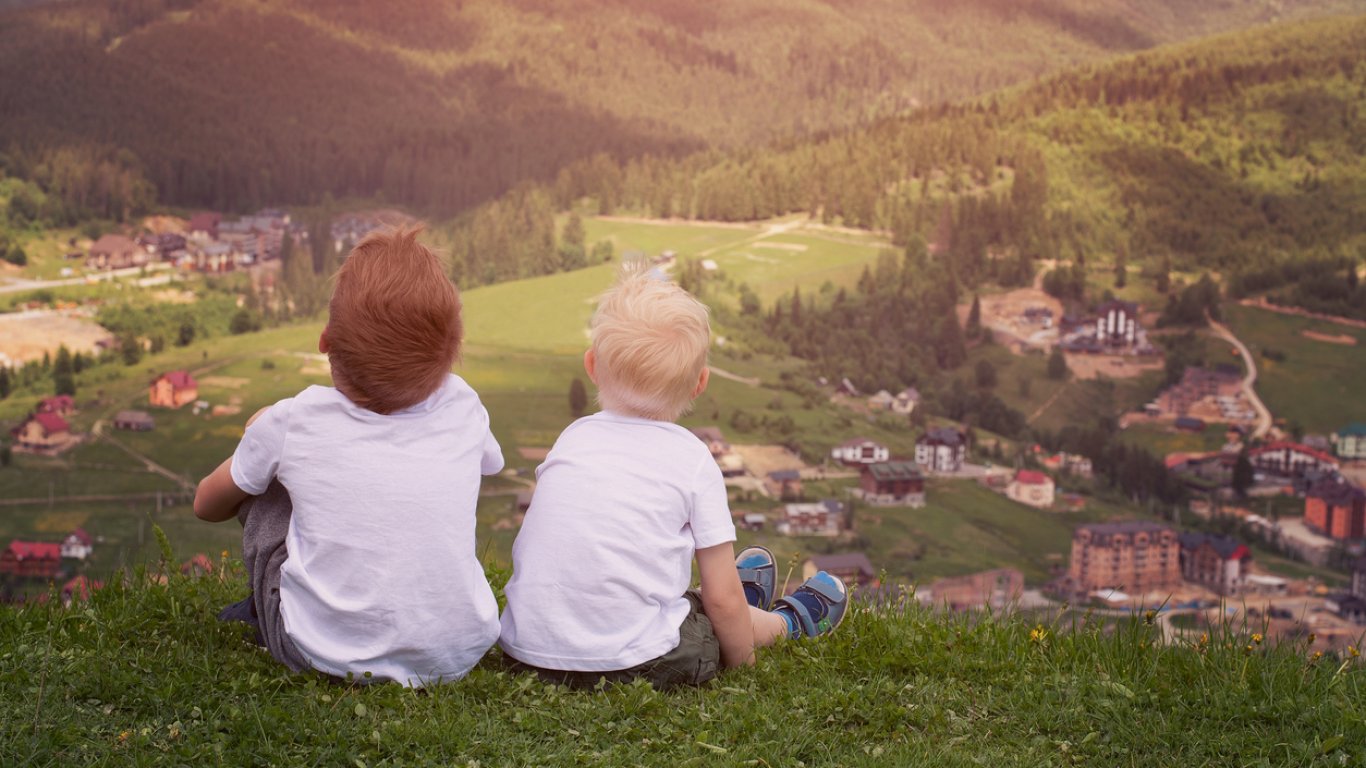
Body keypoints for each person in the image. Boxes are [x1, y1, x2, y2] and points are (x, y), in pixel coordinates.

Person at [498, 263, 847, 689]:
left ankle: (744, 608)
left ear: (592, 365)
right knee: (706, 616)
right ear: (700, 383)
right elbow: (718, 597)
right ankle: (784, 624)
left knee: (682, 601)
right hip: (628, 665)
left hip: (527, 654)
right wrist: (745, 669)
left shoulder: (572, 438)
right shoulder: (692, 458)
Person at [193, 226, 504, 687]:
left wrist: (258, 434)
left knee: (270, 483)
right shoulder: (464, 405)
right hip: (453, 656)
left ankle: (267, 610)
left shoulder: (293, 422)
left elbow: (206, 504)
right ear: (448, 355)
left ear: (325, 342)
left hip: (319, 653)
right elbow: (489, 464)